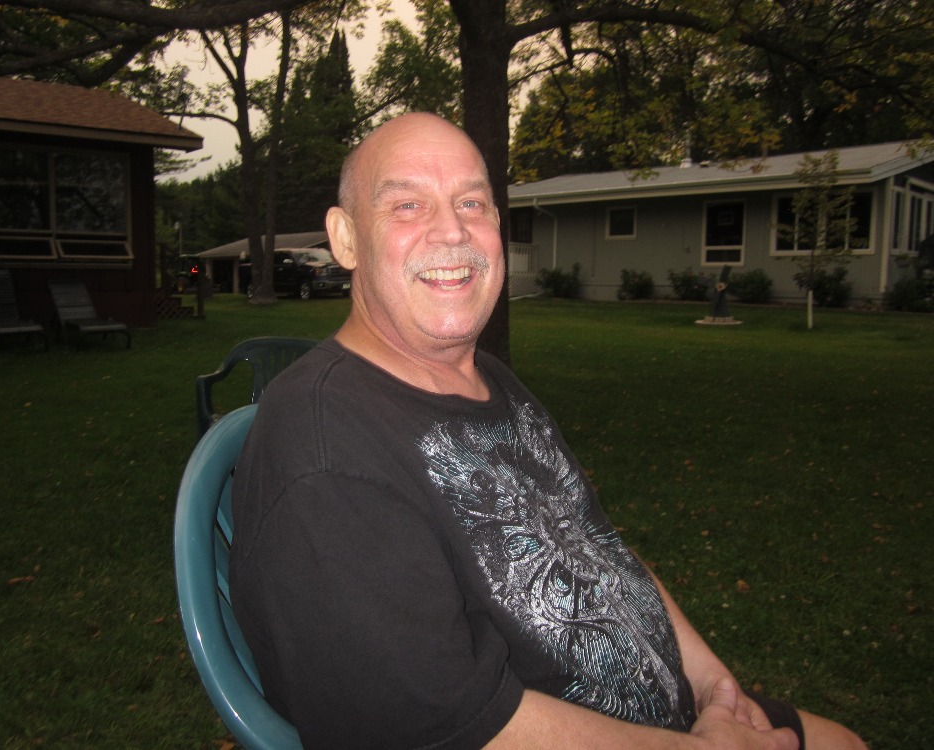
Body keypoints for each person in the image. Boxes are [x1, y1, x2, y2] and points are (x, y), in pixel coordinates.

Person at [229, 112, 867, 750]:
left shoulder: (491, 383)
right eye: (407, 205)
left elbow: (599, 550)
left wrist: (715, 689)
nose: (451, 230)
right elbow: (445, 726)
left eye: (472, 203)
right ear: (345, 238)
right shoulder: (326, 454)